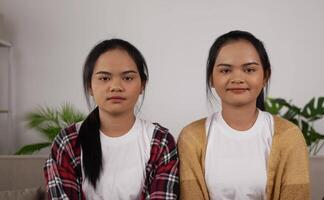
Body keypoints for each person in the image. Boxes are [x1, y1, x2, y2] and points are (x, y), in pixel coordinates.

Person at [178, 30, 310, 200]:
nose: (237, 78)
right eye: (225, 71)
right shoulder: (191, 137)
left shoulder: (289, 136)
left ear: (265, 76)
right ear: (211, 78)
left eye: (249, 70)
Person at [44, 38, 179, 200]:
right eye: (104, 78)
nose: (116, 86)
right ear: (90, 86)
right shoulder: (68, 141)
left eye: (127, 78)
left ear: (142, 85)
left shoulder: (160, 141)